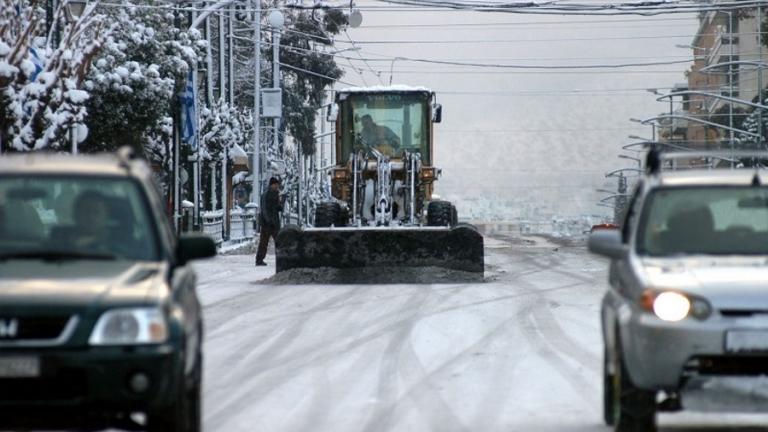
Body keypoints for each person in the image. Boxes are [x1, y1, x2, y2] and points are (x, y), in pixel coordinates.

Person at [255, 177, 283, 266]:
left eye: (277, 185)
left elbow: (278, 208)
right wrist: (268, 220)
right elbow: (264, 209)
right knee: (264, 242)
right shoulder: (265, 195)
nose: (277, 186)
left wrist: (281, 203)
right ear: (272, 184)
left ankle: (281, 259)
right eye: (276, 184)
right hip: (267, 223)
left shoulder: (277, 194)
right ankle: (259, 260)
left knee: (279, 242)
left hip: (275, 223)